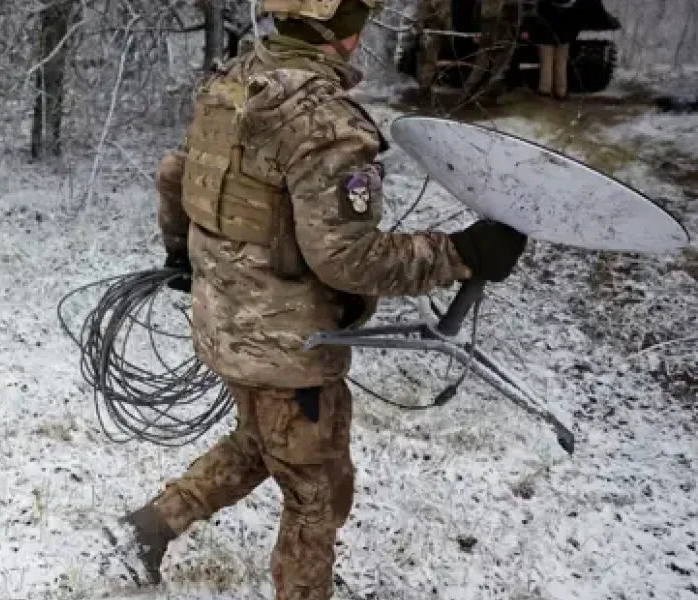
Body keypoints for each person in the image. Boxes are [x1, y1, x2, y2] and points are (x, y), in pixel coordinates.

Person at [104, 1, 529, 598]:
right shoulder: (323, 121)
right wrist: (459, 254)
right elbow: (348, 260)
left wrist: (182, 256)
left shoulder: (235, 78)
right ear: (347, 34)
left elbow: (176, 174)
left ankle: (150, 527)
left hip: (225, 322)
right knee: (319, 493)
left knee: (263, 443)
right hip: (288, 348)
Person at [525, 0, 583, 99]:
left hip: (546, 38)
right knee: (561, 65)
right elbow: (575, 22)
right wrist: (571, 37)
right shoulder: (570, 4)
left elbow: (537, 19)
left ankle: (545, 90)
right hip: (563, 39)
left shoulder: (543, 4)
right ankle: (561, 92)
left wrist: (532, 34)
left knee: (546, 64)